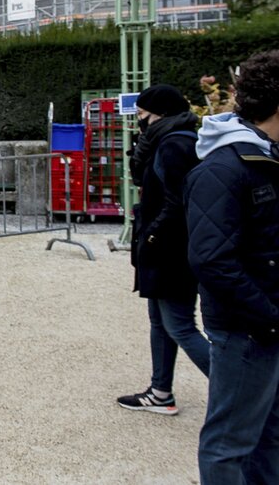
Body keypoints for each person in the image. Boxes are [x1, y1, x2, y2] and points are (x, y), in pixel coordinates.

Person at [186, 49, 279, 484]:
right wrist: (269, 316)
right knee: (230, 444)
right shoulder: (226, 167)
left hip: (261, 323)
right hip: (248, 328)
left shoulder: (262, 158)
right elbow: (211, 258)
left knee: (266, 435)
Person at [117, 85, 210, 415]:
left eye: (143, 116)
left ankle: (244, 391)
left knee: (180, 325)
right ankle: (160, 391)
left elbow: (176, 202)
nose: (139, 123)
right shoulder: (171, 141)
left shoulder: (174, 145)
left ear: (161, 115)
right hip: (164, 246)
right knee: (160, 320)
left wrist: (153, 234)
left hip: (170, 249)